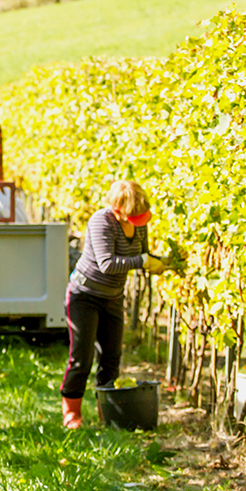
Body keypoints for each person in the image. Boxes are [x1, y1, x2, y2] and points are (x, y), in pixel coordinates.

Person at [60, 180, 166, 429]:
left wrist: (163, 262)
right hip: (84, 296)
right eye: (133, 216)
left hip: (113, 297)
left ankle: (105, 412)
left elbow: (144, 254)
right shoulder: (101, 222)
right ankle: (71, 414)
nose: (139, 221)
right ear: (118, 210)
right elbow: (107, 263)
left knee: (111, 357)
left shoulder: (139, 224)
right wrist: (142, 261)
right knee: (82, 357)